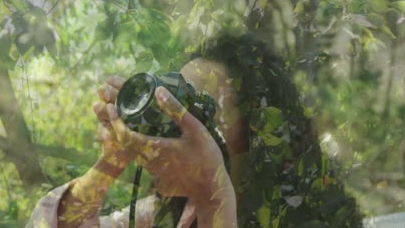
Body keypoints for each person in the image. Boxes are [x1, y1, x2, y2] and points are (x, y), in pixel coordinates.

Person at [27, 34, 363, 228]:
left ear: (258, 138)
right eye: (174, 104)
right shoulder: (167, 215)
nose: (180, 126)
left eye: (201, 111)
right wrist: (112, 162)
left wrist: (213, 196)